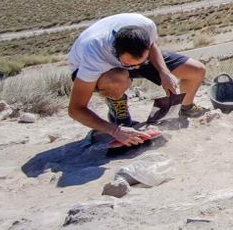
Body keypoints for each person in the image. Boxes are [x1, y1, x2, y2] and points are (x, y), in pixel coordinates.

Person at [67, 13, 207, 147]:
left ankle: (185, 108)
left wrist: (164, 73)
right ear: (115, 52)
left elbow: (151, 46)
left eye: (141, 62)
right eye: (131, 65)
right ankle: (117, 107)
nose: (137, 68)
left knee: (196, 70)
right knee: (118, 79)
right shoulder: (93, 55)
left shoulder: (146, 25)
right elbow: (75, 109)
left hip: (132, 56)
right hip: (99, 69)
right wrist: (114, 131)